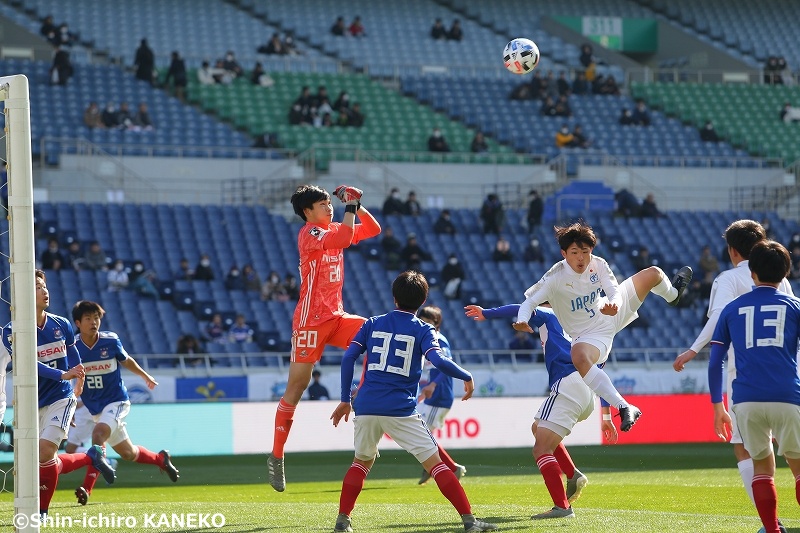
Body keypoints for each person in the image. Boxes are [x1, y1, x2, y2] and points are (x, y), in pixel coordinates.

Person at [330, 271, 495, 533]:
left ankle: (343, 520)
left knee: (360, 462)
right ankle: (470, 522)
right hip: (400, 408)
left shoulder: (373, 323)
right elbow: (439, 361)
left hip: (367, 405)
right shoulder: (423, 329)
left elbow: (349, 357)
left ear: (394, 297)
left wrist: (343, 399)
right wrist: (466, 375)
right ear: (422, 300)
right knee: (437, 465)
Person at [513, 221, 693, 432]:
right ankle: (624, 406)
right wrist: (522, 319)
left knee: (653, 273)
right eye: (574, 252)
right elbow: (529, 301)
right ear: (564, 254)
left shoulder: (597, 264)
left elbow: (614, 291)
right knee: (578, 355)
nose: (581, 257)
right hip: (589, 334)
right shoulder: (555, 277)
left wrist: (614, 305)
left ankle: (673, 295)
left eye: (585, 251)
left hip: (609, 312)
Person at [267, 184, 381, 493]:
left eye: (330, 203)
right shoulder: (310, 234)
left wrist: (357, 203)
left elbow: (373, 229)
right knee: (297, 387)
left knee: (376, 334)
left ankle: (363, 394)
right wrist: (350, 208)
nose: (329, 208)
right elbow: (345, 237)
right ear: (307, 212)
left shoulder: (332, 227)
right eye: (322, 204)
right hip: (309, 322)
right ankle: (277, 455)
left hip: (336, 316)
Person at [674, 220, 794, 512]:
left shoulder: (726, 279)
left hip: (744, 373)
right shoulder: (784, 281)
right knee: (794, 453)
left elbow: (718, 320)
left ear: (731, 250)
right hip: (787, 372)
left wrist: (693, 349)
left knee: (745, 447)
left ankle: (770, 522)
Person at [466, 302, 616, 519]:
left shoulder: (552, 312)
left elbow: (520, 307)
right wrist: (606, 414)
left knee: (541, 449)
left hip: (568, 384)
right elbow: (601, 377)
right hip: (588, 393)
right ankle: (573, 475)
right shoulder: (591, 327)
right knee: (538, 427)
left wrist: (487, 313)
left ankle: (562, 507)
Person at [1, 270, 115, 517]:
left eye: (44, 286)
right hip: (31, 401)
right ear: (22, 294)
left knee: (43, 452)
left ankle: (41, 512)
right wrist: (63, 374)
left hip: (61, 397)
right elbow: (28, 362)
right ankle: (90, 456)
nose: (45, 291)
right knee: (39, 460)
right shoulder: (11, 331)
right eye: (37, 287)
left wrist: (77, 378)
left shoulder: (61, 323)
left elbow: (73, 354)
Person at [708, 240, 799, 533]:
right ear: (786, 273)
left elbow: (715, 362)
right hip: (788, 395)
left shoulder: (732, 309)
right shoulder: (795, 307)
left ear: (752, 273)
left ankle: (772, 529)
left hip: (746, 400)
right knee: (798, 470)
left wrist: (717, 405)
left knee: (762, 467)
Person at [71, 300, 179, 505]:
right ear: (78, 323)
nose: (94, 322)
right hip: (96, 408)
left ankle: (87, 488)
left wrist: (144, 376)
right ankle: (160, 459)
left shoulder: (110, 341)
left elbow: (126, 359)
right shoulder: (74, 347)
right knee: (128, 453)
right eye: (88, 318)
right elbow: (69, 375)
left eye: (97, 318)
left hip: (117, 401)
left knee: (98, 436)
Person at [414, 306, 468, 485]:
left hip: (439, 395)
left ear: (436, 324)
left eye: (428, 321)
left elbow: (446, 366)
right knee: (420, 433)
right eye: (421, 320)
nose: (423, 324)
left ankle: (451, 467)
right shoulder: (425, 338)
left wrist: (433, 385)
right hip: (430, 394)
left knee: (421, 434)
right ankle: (432, 467)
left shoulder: (438, 339)